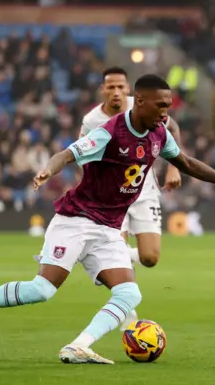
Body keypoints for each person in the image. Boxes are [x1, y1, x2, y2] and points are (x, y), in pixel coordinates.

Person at [0, 74, 215, 364]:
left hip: (108, 228)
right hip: (77, 219)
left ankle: (78, 346)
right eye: (161, 106)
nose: (166, 113)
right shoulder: (110, 133)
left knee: (130, 294)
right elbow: (69, 152)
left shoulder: (160, 133)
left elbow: (187, 162)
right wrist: (49, 169)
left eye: (169, 106)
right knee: (43, 290)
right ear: (142, 102)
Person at [77, 67, 183, 330]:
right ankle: (128, 312)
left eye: (120, 87)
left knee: (150, 257)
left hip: (144, 192)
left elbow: (173, 126)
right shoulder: (92, 121)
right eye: (110, 87)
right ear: (102, 90)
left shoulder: (143, 108)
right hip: (114, 198)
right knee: (117, 256)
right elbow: (82, 154)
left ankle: (105, 255)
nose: (116, 92)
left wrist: (173, 165)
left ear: (129, 90)